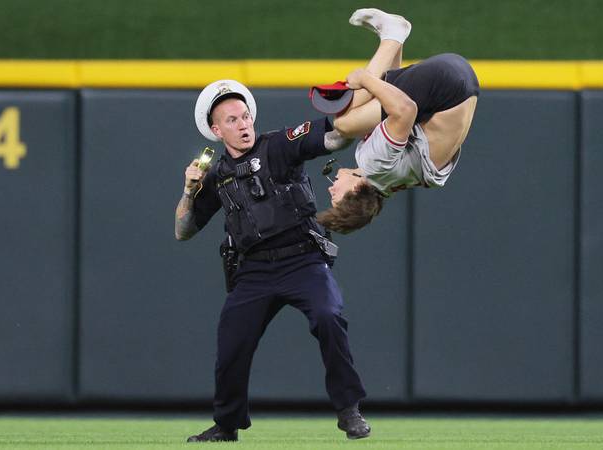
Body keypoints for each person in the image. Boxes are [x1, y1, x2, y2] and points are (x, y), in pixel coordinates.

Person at [174, 78, 370, 442]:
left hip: (302, 259)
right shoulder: (217, 176)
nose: (243, 124)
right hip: (254, 271)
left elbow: (334, 138)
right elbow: (183, 230)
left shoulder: (279, 145)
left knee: (329, 316)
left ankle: (349, 410)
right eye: (232, 120)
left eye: (245, 116)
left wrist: (357, 114)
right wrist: (189, 191)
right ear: (216, 131)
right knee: (232, 340)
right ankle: (227, 424)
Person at [314, 8, 480, 234]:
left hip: (462, 83)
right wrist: (363, 78)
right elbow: (405, 109)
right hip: (447, 84)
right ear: (357, 189)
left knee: (375, 106)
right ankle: (393, 34)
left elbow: (396, 103)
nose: (332, 190)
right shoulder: (375, 166)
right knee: (344, 122)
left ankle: (393, 39)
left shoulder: (390, 181)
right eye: (337, 198)